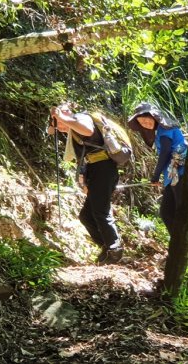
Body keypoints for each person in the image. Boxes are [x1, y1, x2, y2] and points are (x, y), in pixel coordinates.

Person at [49, 103, 123, 265]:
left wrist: (62, 117)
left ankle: (114, 248)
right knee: (86, 216)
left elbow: (88, 130)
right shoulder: (73, 130)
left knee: (100, 212)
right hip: (96, 170)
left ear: (67, 113)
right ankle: (107, 246)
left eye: (58, 122)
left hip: (104, 169)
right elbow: (52, 132)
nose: (59, 126)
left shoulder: (80, 118)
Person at [127, 102, 187, 234]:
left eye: (146, 119)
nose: (145, 123)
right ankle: (178, 245)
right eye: (141, 122)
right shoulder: (160, 130)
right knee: (166, 213)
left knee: (180, 211)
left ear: (154, 116)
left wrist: (155, 175)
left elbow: (165, 152)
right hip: (172, 176)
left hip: (180, 173)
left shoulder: (165, 129)